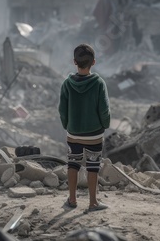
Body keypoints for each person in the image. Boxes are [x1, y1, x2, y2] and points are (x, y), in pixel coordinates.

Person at [58, 43, 111, 211]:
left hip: (74, 133)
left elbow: (62, 109)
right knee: (93, 166)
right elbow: (104, 109)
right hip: (94, 134)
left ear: (75, 62)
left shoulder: (67, 84)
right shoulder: (98, 83)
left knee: (73, 164)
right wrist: (105, 125)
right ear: (93, 62)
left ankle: (72, 200)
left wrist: (68, 126)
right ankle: (93, 202)